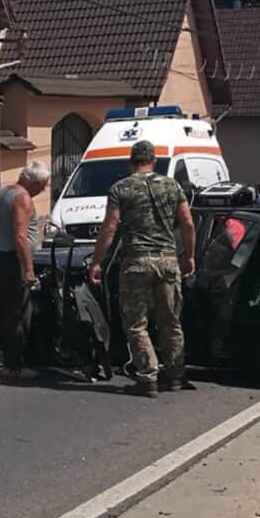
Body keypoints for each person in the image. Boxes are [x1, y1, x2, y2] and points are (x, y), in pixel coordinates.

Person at [88, 140, 196, 397]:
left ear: (131, 161)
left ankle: (148, 378)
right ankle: (176, 375)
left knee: (137, 324)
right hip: (168, 261)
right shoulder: (172, 185)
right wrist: (189, 256)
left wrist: (97, 262)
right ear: (154, 161)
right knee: (170, 321)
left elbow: (110, 228)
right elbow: (188, 223)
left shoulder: (121, 188)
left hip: (136, 262)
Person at [0, 161, 49, 379]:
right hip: (11, 260)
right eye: (43, 185)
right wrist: (27, 269)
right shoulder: (22, 198)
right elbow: (20, 236)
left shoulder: (1, 193)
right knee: (17, 314)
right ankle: (12, 366)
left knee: (0, 308)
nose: (43, 190)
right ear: (34, 182)